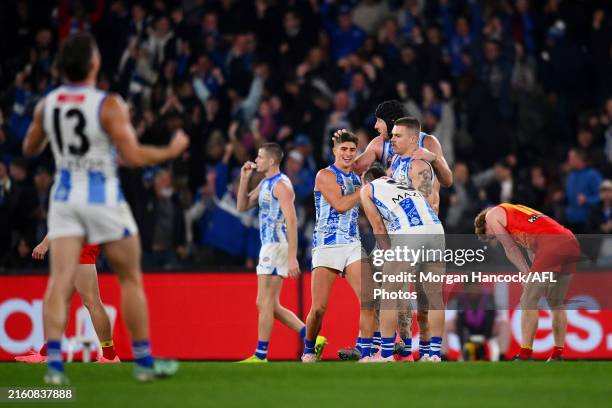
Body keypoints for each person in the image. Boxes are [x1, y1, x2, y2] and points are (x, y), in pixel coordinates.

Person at [22, 33, 189, 384]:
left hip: (66, 200)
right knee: (130, 280)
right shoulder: (107, 104)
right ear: (94, 64)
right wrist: (171, 151)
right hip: (103, 199)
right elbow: (134, 155)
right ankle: (142, 361)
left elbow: (29, 148)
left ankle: (55, 367)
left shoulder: (47, 105)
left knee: (59, 285)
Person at [237, 143, 323, 362]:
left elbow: (292, 221)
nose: (256, 160)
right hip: (268, 246)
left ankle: (260, 355)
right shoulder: (265, 183)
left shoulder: (282, 185)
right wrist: (244, 179)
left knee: (264, 302)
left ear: (272, 161)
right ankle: (312, 337)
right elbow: (242, 206)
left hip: (277, 246)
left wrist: (293, 257)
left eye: (260, 157)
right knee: (269, 304)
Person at [302, 131, 375, 363]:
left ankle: (363, 351)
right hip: (327, 245)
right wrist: (365, 190)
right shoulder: (325, 175)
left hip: (352, 244)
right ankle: (309, 349)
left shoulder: (358, 178)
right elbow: (341, 205)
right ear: (334, 151)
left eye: (352, 150)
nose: (348, 154)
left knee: (370, 299)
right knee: (319, 308)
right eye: (343, 149)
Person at [361, 165, 446, 362]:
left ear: (366, 180)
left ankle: (386, 354)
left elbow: (378, 226)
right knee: (435, 296)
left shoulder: (367, 189)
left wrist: (388, 255)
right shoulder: (402, 185)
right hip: (436, 229)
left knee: (389, 293)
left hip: (410, 231)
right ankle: (434, 354)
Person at [474, 204, 581, 361]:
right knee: (556, 302)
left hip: (550, 243)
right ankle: (558, 354)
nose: (495, 237)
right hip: (569, 241)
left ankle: (525, 354)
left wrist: (527, 275)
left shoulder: (491, 216)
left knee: (528, 300)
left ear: (484, 225)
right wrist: (533, 275)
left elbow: (510, 248)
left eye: (490, 236)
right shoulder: (517, 214)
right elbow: (534, 251)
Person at [15, 237, 119, 363]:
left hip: (76, 246)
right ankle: (46, 353)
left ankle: (110, 356)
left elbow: (61, 224)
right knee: (62, 301)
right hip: (76, 245)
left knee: (92, 302)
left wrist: (44, 244)